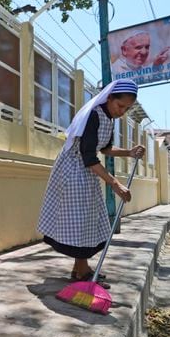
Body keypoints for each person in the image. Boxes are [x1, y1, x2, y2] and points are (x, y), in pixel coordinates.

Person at [38, 79, 145, 288]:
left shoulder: (108, 118)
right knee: (79, 219)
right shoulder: (94, 116)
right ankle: (82, 270)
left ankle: (80, 270)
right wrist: (115, 184)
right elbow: (88, 156)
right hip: (72, 170)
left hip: (86, 171)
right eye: (120, 105)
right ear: (110, 98)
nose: (122, 111)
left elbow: (104, 149)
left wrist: (129, 152)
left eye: (127, 108)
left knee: (87, 219)